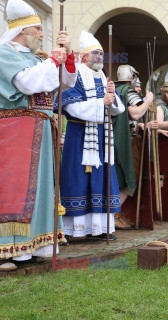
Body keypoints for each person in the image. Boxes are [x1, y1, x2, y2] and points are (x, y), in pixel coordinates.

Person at [0, 0, 75, 271]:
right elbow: (28, 82)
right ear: (22, 31)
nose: (43, 34)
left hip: (41, 128)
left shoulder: (37, 58)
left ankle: (38, 245)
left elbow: (64, 83)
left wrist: (67, 56)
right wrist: (54, 58)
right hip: (16, 130)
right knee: (18, 190)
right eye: (38, 29)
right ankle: (13, 251)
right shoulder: (4, 53)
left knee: (42, 189)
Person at [56, 30, 125, 242]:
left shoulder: (104, 78)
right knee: (77, 180)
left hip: (102, 139)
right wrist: (100, 103)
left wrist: (112, 97)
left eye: (102, 54)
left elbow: (118, 110)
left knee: (101, 181)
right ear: (84, 56)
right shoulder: (74, 76)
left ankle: (101, 228)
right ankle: (72, 230)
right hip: (79, 138)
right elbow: (72, 108)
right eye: (96, 53)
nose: (100, 58)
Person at [113, 65, 154, 229]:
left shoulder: (113, 89)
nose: (137, 87)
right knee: (129, 179)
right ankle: (114, 214)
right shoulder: (127, 91)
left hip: (111, 139)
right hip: (125, 141)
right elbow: (135, 113)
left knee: (116, 178)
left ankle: (113, 214)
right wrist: (148, 100)